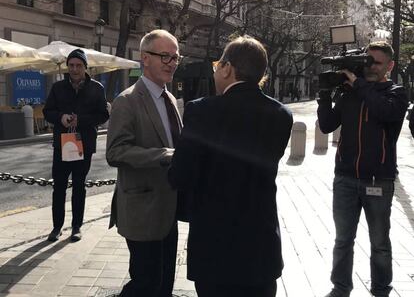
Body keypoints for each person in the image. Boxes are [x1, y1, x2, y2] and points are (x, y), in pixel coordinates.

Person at [168, 35, 293, 297]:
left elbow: (180, 176)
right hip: (261, 246)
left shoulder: (202, 111)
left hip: (215, 247)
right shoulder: (281, 114)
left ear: (227, 67)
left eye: (217, 65)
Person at [317, 41, 408, 297]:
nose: (369, 66)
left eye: (376, 62)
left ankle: (380, 289)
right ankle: (340, 287)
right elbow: (326, 125)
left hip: (379, 180)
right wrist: (324, 95)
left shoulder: (396, 93)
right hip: (345, 178)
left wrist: (358, 85)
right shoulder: (351, 93)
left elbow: (384, 112)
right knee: (342, 240)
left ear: (389, 66)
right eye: (367, 60)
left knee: (379, 243)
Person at [106, 29, 182, 297]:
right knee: (144, 284)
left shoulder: (170, 98)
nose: (171, 63)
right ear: (145, 58)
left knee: (164, 283)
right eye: (165, 56)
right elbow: (115, 152)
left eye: (175, 57)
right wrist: (164, 155)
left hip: (169, 207)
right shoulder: (126, 101)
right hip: (142, 209)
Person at [43, 48, 109, 242]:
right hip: (62, 144)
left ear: (85, 67)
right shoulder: (58, 88)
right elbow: (48, 111)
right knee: (59, 187)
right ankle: (56, 227)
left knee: (79, 186)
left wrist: (81, 120)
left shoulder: (96, 88)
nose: (74, 69)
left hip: (84, 144)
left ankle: (76, 227)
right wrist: (60, 117)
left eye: (78, 65)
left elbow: (103, 115)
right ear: (67, 67)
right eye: (71, 65)